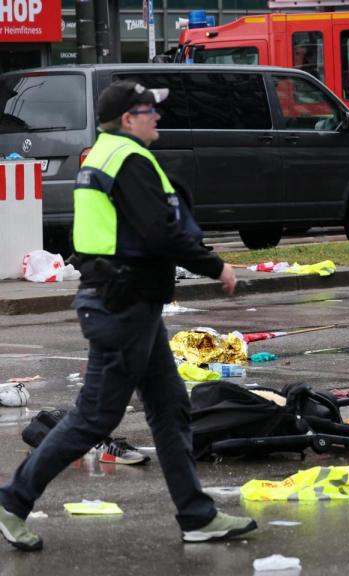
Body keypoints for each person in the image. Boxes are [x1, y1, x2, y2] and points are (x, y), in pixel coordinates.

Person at [0, 81, 256, 552]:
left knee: (170, 407)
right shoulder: (129, 159)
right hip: (123, 304)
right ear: (128, 118)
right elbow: (160, 232)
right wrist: (214, 265)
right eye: (149, 110)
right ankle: (12, 501)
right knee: (95, 416)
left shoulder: (103, 154)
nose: (157, 117)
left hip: (129, 302)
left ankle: (197, 517)